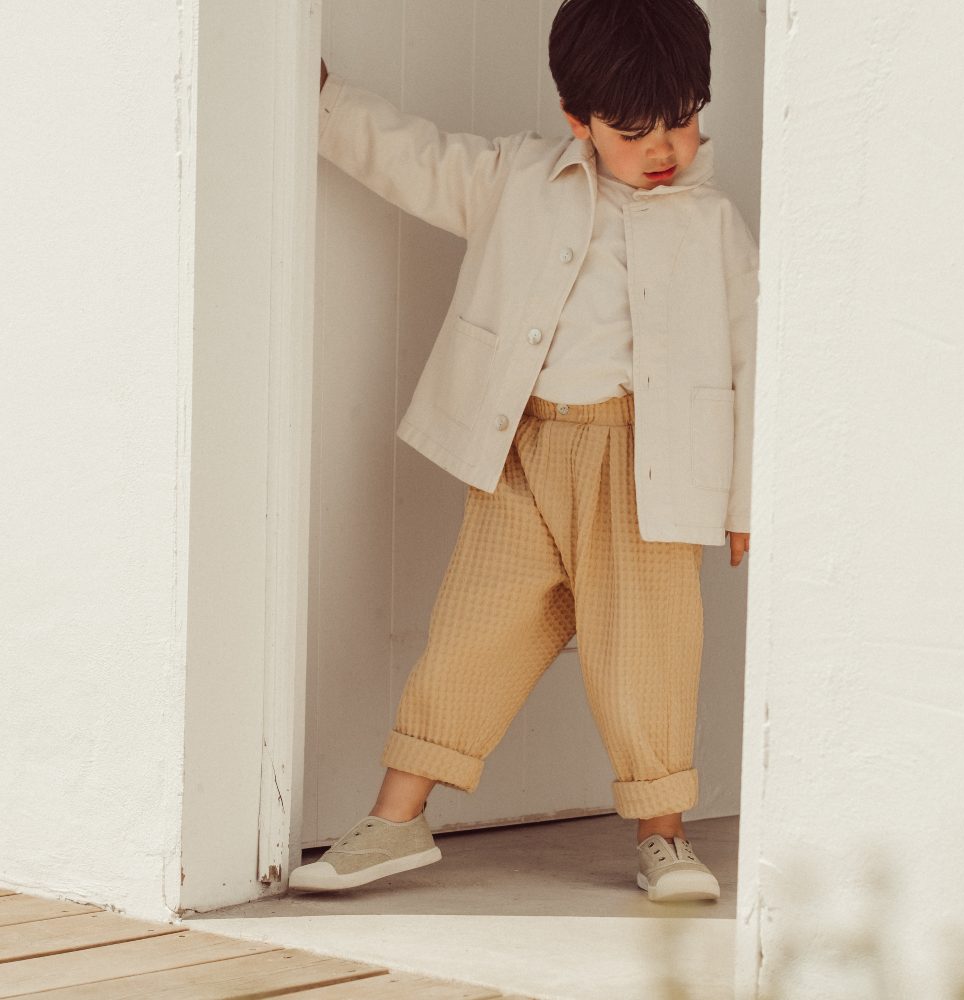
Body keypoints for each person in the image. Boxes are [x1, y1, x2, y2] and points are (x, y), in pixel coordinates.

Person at [291, 0, 757, 903]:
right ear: (575, 118)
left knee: (648, 654)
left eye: (686, 120)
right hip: (524, 452)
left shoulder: (713, 227)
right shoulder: (518, 179)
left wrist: (746, 503)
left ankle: (664, 837)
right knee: (471, 635)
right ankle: (397, 819)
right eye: (633, 131)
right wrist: (323, 104)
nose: (665, 148)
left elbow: (754, 360)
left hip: (642, 470)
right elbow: (415, 158)